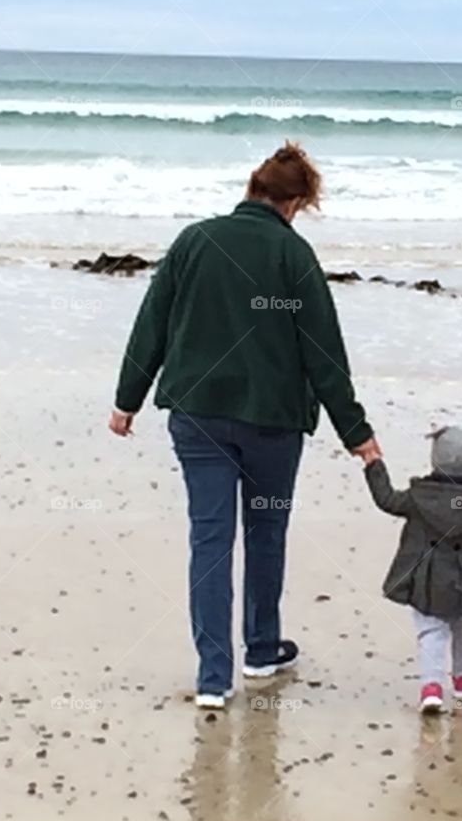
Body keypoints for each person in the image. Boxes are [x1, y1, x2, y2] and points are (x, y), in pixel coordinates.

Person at [109, 143, 380, 709]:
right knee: (265, 533)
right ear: (297, 202)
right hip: (273, 422)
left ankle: (213, 678)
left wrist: (127, 399)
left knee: (209, 539)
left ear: (253, 187)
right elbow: (323, 353)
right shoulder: (293, 254)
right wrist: (356, 433)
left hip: (197, 416)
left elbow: (152, 322)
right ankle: (260, 651)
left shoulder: (194, 241)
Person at [363, 426, 462, 714]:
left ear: (435, 457)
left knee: (431, 632)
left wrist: (373, 463)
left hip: (427, 583)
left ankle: (432, 689)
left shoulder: (418, 497)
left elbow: (386, 499)